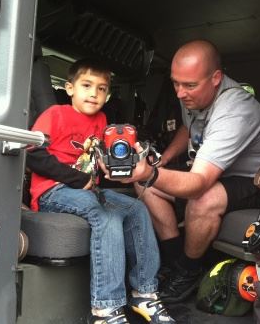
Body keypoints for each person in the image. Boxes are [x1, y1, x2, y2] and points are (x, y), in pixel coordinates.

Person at [105, 40, 260, 304]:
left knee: (201, 200)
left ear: (216, 78)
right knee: (145, 186)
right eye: (176, 83)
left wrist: (150, 172)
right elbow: (188, 128)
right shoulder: (194, 96)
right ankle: (176, 261)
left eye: (189, 85)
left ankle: (189, 270)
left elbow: (198, 183)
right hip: (217, 172)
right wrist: (163, 161)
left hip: (257, 181)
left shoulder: (235, 110)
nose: (180, 94)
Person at [26, 58, 175, 324]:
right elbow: (33, 155)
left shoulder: (103, 121)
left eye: (102, 88)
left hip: (89, 191)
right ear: (70, 88)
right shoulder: (55, 114)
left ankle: (145, 292)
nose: (94, 93)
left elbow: (102, 158)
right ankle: (106, 310)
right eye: (87, 85)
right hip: (54, 192)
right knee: (105, 215)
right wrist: (76, 178)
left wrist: (122, 166)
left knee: (137, 208)